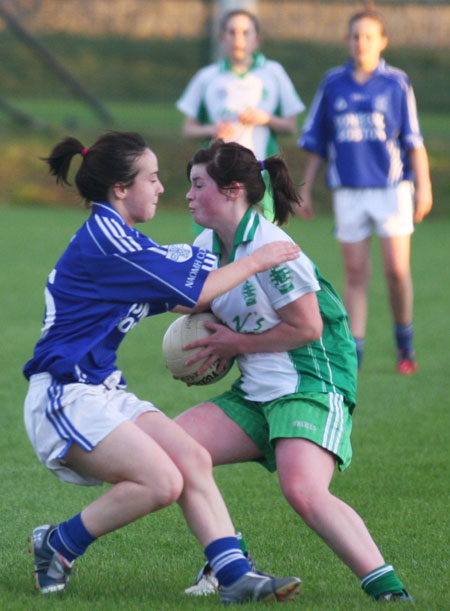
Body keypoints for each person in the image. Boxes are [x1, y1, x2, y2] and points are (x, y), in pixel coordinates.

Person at [22, 131, 303, 603]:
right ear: (120, 188)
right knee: (162, 481)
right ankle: (57, 544)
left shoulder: (124, 240)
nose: (161, 188)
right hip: (64, 394)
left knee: (190, 456)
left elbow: (183, 288)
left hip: (101, 388)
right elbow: (195, 291)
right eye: (152, 178)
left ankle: (233, 575)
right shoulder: (109, 240)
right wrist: (258, 259)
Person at [174, 139, 412, 602]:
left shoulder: (272, 246)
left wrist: (235, 342)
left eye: (198, 185)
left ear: (232, 191)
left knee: (302, 489)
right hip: (257, 386)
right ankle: (230, 564)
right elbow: (192, 296)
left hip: (310, 381)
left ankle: (390, 592)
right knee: (172, 452)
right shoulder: (209, 242)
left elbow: (307, 328)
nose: (187, 195)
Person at [297, 8, 433, 374]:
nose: (362, 43)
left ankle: (405, 346)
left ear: (382, 42)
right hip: (348, 190)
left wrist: (424, 187)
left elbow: (414, 141)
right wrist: (306, 189)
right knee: (355, 274)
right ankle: (355, 354)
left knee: (396, 271)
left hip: (392, 189)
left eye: (369, 37)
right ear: (348, 41)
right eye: (356, 36)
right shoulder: (333, 83)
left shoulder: (396, 83)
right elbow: (318, 142)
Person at [176, 8, 305, 222]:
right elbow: (187, 128)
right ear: (222, 38)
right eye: (232, 32)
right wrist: (212, 129)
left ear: (257, 39)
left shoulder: (273, 73)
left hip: (260, 174)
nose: (239, 39)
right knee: (215, 243)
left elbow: (291, 126)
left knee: (261, 241)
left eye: (246, 32)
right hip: (218, 175)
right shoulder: (207, 77)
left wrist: (266, 119)